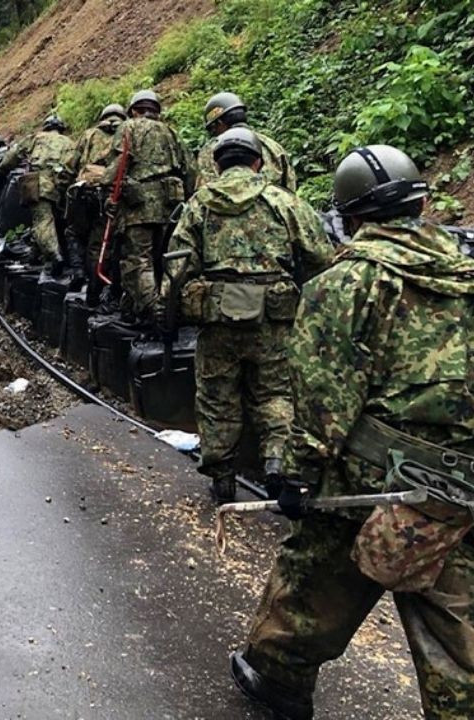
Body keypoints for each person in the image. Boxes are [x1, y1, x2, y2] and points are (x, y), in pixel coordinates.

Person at [231, 144, 474, 720]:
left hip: (375, 482)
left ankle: (278, 680)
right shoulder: (466, 270)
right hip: (462, 486)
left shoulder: (348, 284)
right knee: (457, 629)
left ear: (352, 216)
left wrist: (298, 476)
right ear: (421, 201)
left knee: (311, 579)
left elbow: (322, 398)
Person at [163, 128, 333, 502]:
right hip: (274, 319)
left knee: (216, 396)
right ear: (258, 162)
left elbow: (177, 267)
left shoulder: (199, 203)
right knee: (275, 393)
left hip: (218, 317)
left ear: (218, 164)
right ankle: (276, 462)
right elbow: (321, 257)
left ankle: (222, 479)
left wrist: (173, 309)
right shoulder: (283, 201)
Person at [103, 89, 194, 324]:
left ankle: (155, 313)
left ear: (133, 110)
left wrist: (107, 192)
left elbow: (118, 164)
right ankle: (158, 306)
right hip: (171, 206)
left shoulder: (129, 127)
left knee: (138, 260)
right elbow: (189, 170)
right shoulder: (172, 132)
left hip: (138, 206)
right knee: (163, 258)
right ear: (157, 111)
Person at [65, 103, 127, 302]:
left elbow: (71, 164)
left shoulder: (89, 134)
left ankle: (78, 273)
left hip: (85, 193)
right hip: (109, 196)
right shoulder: (127, 133)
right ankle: (95, 292)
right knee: (100, 245)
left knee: (73, 232)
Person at [0, 115, 76, 268]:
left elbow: (11, 157)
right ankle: (37, 255)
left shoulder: (35, 138)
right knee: (54, 222)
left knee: (42, 221)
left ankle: (54, 255)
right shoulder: (70, 143)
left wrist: (2, 172)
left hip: (40, 184)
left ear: (45, 126)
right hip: (63, 187)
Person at [197, 92, 297, 192]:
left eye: (213, 129)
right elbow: (290, 190)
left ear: (220, 124)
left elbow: (203, 193)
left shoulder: (209, 151)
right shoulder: (273, 147)